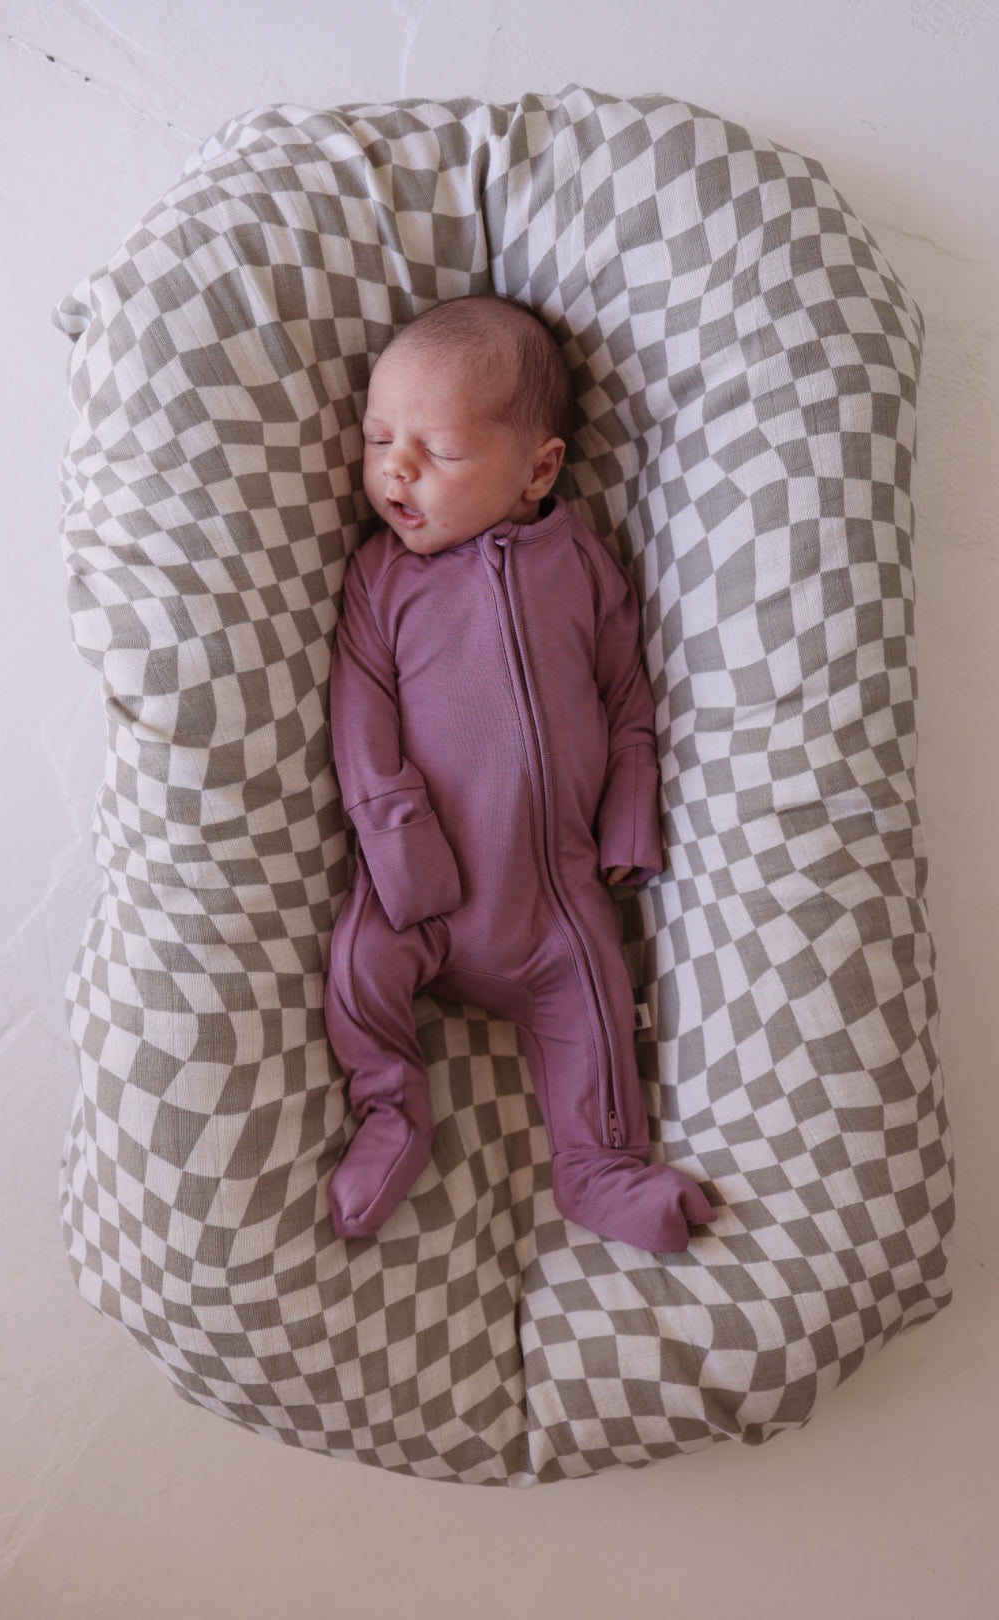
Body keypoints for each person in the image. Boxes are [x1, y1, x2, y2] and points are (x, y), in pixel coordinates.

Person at [323, 294, 716, 1252]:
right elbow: (361, 721)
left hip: (552, 903)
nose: (396, 469)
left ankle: (598, 1168)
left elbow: (628, 696)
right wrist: (400, 851)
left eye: (439, 451)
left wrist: (630, 821)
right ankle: (391, 1111)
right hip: (422, 893)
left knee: (597, 1010)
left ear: (538, 469)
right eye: (380, 440)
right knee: (358, 969)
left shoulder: (581, 565)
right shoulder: (382, 581)